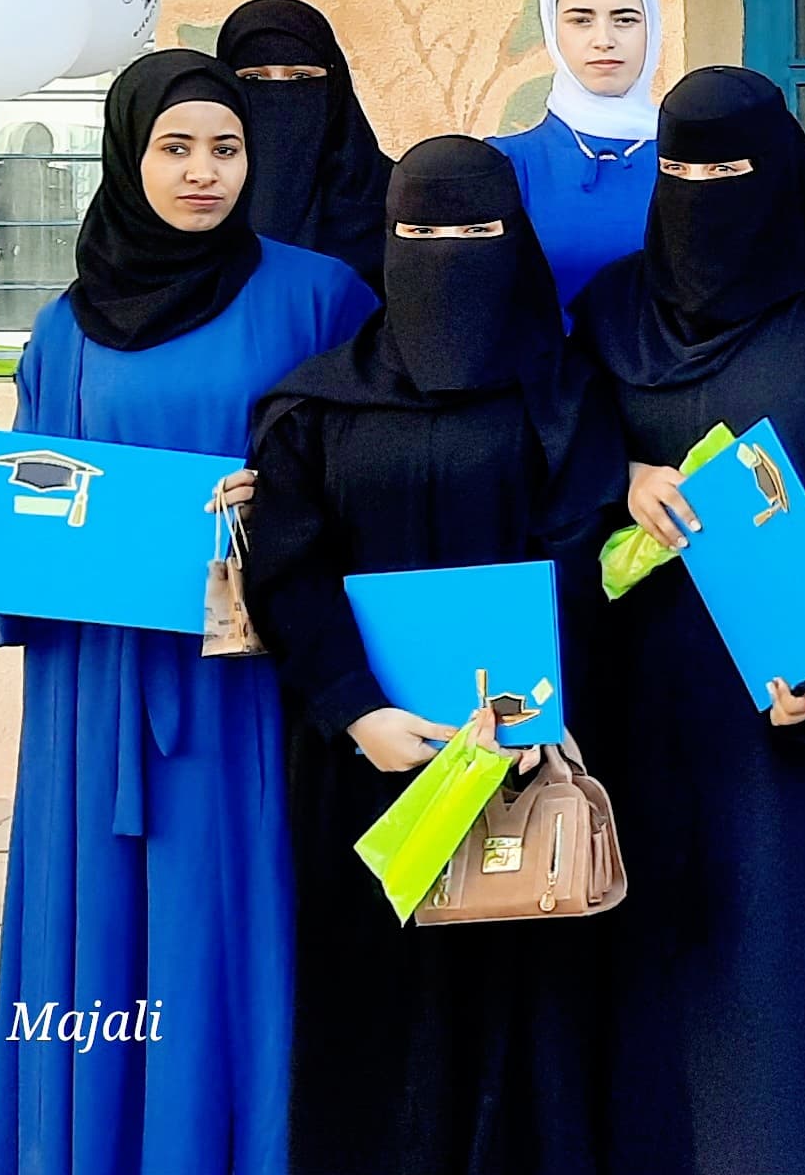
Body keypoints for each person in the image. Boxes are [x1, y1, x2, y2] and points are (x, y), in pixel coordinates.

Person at [0, 49, 376, 1175]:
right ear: (128, 156)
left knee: (229, 924)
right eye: (175, 147)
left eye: (226, 148)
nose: (202, 171)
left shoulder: (317, 294)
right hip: (97, 694)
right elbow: (42, 515)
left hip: (241, 685)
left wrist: (291, 502)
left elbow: (381, 459)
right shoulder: (65, 328)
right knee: (100, 938)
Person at [244, 136, 623, 1175]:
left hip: (524, 764)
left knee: (525, 1006)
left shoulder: (566, 398)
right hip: (368, 768)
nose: (447, 255)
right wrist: (355, 708)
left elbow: (583, 561)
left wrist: (536, 716)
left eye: (476, 231)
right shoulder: (315, 405)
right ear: (386, 241)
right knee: (374, 1012)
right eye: (419, 231)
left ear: (516, 241)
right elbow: (287, 572)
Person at [570, 66, 805, 1175]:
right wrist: (623, 477)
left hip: (780, 695)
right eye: (682, 168)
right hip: (636, 695)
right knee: (641, 963)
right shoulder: (611, 309)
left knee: (779, 970)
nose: (705, 190)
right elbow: (559, 458)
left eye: (730, 168)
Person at [492, 0, 665, 311]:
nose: (604, 40)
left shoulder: (695, 163)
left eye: (625, 20)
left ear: (652, 27)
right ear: (552, 31)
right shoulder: (504, 165)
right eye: (581, 20)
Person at [221, 0, 396, 286]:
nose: (278, 92)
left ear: (334, 85)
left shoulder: (392, 196)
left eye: (300, 76)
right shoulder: (199, 198)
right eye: (253, 78)